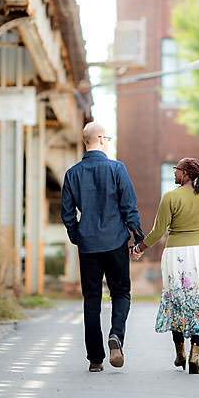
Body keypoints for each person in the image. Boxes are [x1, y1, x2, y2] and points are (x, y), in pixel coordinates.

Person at [61, 122, 144, 373]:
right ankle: (116, 335)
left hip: (88, 245)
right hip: (115, 241)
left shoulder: (72, 174)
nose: (107, 141)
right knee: (120, 294)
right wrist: (138, 237)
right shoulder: (117, 169)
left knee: (92, 299)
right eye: (106, 137)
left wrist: (78, 236)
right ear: (99, 139)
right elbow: (129, 206)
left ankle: (95, 359)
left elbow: (67, 213)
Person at [132, 157, 199, 374]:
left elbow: (158, 231)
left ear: (185, 174)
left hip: (177, 254)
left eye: (176, 170)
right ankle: (195, 354)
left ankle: (180, 353)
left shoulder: (170, 197)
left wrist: (139, 249)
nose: (174, 173)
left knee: (177, 300)